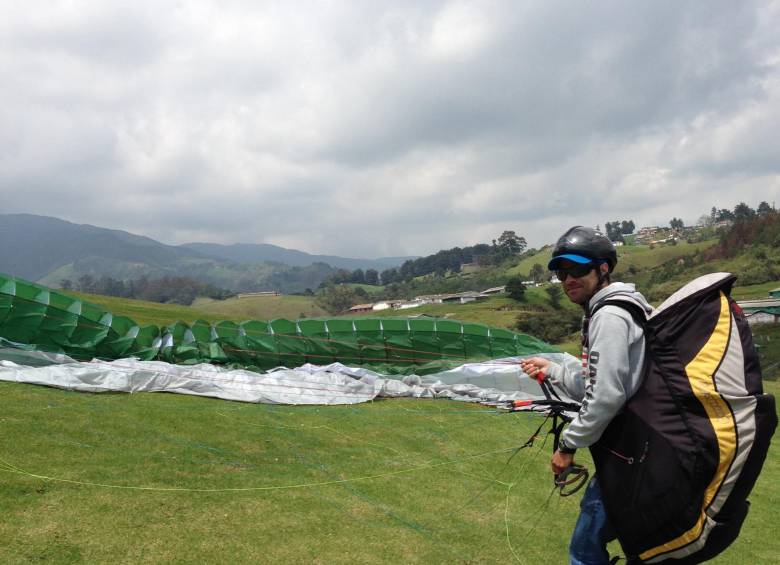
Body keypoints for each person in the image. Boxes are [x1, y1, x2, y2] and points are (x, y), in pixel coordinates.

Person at [520, 226, 653, 565]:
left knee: (584, 551)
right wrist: (553, 370)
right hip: (642, 452)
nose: (568, 279)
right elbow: (598, 380)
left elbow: (606, 396)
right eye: (562, 273)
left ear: (603, 268)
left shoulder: (609, 315)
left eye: (578, 269)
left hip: (632, 458)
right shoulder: (613, 308)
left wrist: (567, 445)